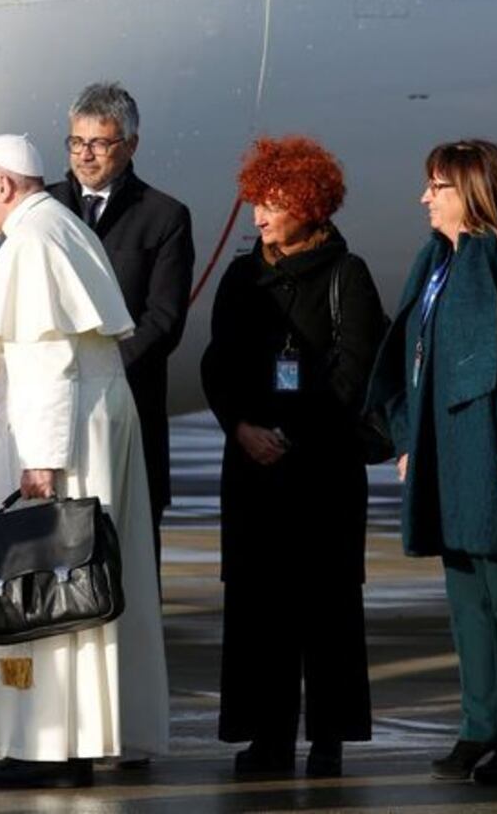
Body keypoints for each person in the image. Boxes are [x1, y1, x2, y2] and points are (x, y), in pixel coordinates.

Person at [0, 134, 168, 789]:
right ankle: (65, 741)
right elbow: (9, 354)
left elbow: (48, 359)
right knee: (79, 585)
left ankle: (48, 745)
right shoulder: (57, 227)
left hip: (61, 436)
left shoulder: (34, 241)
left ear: (4, 185)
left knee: (49, 582)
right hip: (84, 423)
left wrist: (42, 460)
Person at [367, 139, 497, 787]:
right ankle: (480, 724)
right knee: (467, 600)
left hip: (495, 455)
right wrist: (405, 439)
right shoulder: (436, 263)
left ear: (471, 192)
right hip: (447, 456)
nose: (424, 198)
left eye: (437, 187)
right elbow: (410, 356)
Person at [200, 135, 384, 778]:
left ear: (309, 204)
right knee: (259, 610)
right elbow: (217, 364)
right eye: (256, 201)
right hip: (253, 470)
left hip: (322, 473)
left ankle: (328, 736)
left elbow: (354, 372)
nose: (259, 216)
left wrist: (291, 435)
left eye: (273, 203)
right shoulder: (241, 276)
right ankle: (267, 736)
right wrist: (242, 427)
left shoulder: (347, 275)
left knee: (327, 609)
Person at [48, 82, 194, 581]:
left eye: (99, 143)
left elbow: (163, 321)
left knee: (129, 565)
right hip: (56, 411)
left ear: (130, 145)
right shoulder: (45, 210)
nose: (85, 155)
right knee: (57, 569)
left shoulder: (164, 216)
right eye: (76, 142)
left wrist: (100, 370)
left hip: (127, 409)